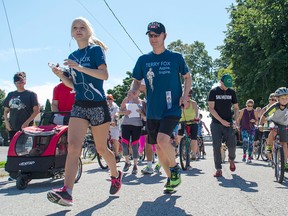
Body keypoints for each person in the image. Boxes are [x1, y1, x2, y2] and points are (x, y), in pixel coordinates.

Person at [47, 17, 122, 206]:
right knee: (73, 147)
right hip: (79, 105)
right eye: (75, 28)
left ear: (88, 31)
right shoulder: (72, 55)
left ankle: (115, 175)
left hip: (97, 105)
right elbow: (73, 84)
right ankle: (67, 192)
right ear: (72, 33)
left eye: (82, 27)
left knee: (101, 148)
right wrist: (61, 75)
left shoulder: (96, 50)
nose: (78, 30)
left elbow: (104, 75)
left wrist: (79, 67)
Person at [130, 21, 192, 193]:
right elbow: (135, 81)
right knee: (158, 147)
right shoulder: (143, 60)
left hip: (172, 107)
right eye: (150, 35)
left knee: (163, 140)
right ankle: (171, 179)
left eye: (156, 35)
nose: (153, 39)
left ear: (165, 35)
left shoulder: (176, 57)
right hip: (152, 110)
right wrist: (133, 91)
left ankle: (175, 169)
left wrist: (185, 95)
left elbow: (188, 77)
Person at [208, 74, 239, 177]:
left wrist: (236, 121)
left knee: (232, 144)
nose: (227, 87)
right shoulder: (213, 92)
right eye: (225, 84)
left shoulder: (232, 92)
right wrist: (221, 121)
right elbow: (211, 109)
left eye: (228, 85)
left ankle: (231, 159)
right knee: (216, 146)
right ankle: (218, 169)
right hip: (216, 123)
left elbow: (236, 108)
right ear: (221, 82)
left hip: (229, 122)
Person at [3, 72, 40, 141]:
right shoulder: (10, 95)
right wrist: (7, 123)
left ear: (24, 82)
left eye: (21, 82)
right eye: (17, 82)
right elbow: (6, 111)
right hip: (12, 127)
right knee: (13, 148)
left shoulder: (31, 94)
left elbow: (36, 111)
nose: (19, 84)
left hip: (26, 128)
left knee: (25, 149)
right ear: (14, 83)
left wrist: (27, 122)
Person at [259, 87, 288, 170]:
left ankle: (285, 162)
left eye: (286, 98)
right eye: (282, 98)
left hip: (283, 124)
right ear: (278, 99)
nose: (285, 100)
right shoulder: (275, 107)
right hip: (273, 122)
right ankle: (268, 148)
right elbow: (264, 115)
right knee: (273, 129)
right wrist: (261, 124)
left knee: (284, 144)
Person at [118, 90, 143, 174]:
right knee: (124, 144)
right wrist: (124, 112)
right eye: (129, 93)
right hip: (126, 124)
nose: (131, 94)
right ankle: (127, 162)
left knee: (135, 145)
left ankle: (135, 165)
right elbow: (119, 111)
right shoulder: (126, 100)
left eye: (133, 93)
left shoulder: (141, 102)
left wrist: (141, 112)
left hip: (137, 125)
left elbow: (145, 113)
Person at [178, 89, 199, 161]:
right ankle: (180, 149)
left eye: (190, 95)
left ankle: (193, 153)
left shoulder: (193, 103)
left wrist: (196, 117)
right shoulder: (180, 103)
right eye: (187, 95)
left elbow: (196, 112)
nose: (189, 97)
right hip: (182, 121)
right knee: (179, 136)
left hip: (192, 121)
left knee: (194, 138)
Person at [237, 99, 258, 164]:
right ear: (246, 105)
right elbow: (239, 119)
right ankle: (244, 154)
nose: (249, 107)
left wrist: (254, 121)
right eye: (248, 106)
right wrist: (238, 126)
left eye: (251, 106)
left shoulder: (254, 112)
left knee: (251, 143)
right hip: (244, 128)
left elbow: (257, 121)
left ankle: (249, 157)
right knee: (245, 141)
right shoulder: (243, 111)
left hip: (252, 129)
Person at [107, 94, 121, 163]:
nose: (108, 100)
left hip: (114, 125)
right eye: (107, 99)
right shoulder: (104, 106)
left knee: (115, 139)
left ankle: (117, 155)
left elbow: (116, 114)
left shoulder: (115, 106)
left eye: (110, 99)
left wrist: (115, 120)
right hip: (106, 125)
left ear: (112, 100)